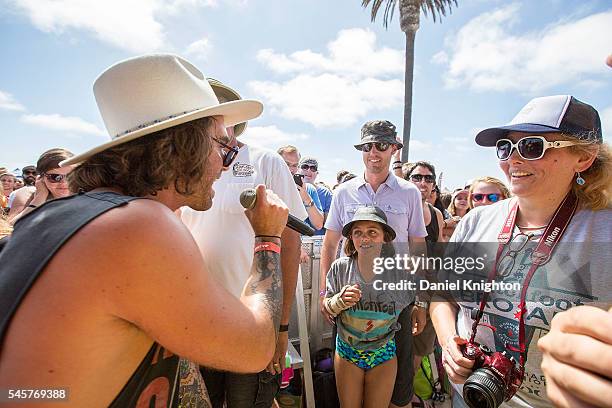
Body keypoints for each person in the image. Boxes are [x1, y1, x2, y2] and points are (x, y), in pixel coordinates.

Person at [0, 54, 289, 407]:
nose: (225, 164)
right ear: (187, 147)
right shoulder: (140, 226)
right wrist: (268, 238)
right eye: (222, 147)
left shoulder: (68, 218)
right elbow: (254, 348)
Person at [430, 95, 611, 408]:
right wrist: (448, 342)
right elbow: (441, 297)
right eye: (505, 146)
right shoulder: (476, 221)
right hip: (472, 394)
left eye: (532, 146)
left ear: (583, 157)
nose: (512, 160)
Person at [179, 78, 306, 408]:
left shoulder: (266, 162)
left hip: (251, 323)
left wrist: (280, 328)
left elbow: (290, 243)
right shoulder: (180, 169)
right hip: (195, 321)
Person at [320, 120, 428, 408]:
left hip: (398, 302)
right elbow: (330, 245)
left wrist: (421, 301)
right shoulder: (344, 192)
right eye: (367, 146)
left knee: (399, 389)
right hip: (349, 303)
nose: (374, 153)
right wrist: (325, 297)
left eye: (381, 145)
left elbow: (418, 246)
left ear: (394, 148)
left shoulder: (409, 192)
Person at [325, 206, 415, 408]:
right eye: (358, 233)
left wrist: (420, 307)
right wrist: (339, 301)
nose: (364, 238)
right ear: (351, 238)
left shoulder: (399, 272)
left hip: (383, 353)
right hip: (347, 352)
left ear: (385, 237)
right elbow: (327, 307)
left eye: (372, 232)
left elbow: (416, 300)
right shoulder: (340, 267)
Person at [9, 148, 75, 224]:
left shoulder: (85, 195)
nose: (64, 183)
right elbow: (9, 229)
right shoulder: (28, 194)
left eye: (70, 176)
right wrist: (40, 197)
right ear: (41, 178)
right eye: (55, 177)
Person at [277, 145, 324, 230]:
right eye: (286, 164)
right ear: (276, 162)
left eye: (294, 165)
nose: (290, 169)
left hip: (300, 240)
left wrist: (306, 197)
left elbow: (319, 225)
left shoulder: (309, 189)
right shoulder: (267, 186)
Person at [298, 156, 333, 235]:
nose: (309, 170)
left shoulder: (326, 193)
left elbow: (329, 225)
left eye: (313, 168)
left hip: (317, 241)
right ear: (298, 169)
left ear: (317, 173)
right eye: (305, 167)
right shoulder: (291, 189)